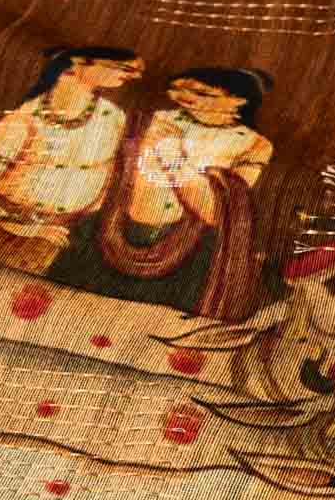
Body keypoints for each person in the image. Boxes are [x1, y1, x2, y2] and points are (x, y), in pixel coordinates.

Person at [48, 66, 272, 319]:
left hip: (186, 255)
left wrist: (174, 158)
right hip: (110, 237)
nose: (185, 99)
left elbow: (218, 212)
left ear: (239, 100)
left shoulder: (252, 144)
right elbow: (108, 174)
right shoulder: (152, 120)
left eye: (201, 93)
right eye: (178, 90)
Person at [0, 44, 143, 274]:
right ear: (75, 64)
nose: (132, 75)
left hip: (59, 232)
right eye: (119, 65)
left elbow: (111, 178)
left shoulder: (113, 118)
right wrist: (19, 226)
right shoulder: (24, 120)